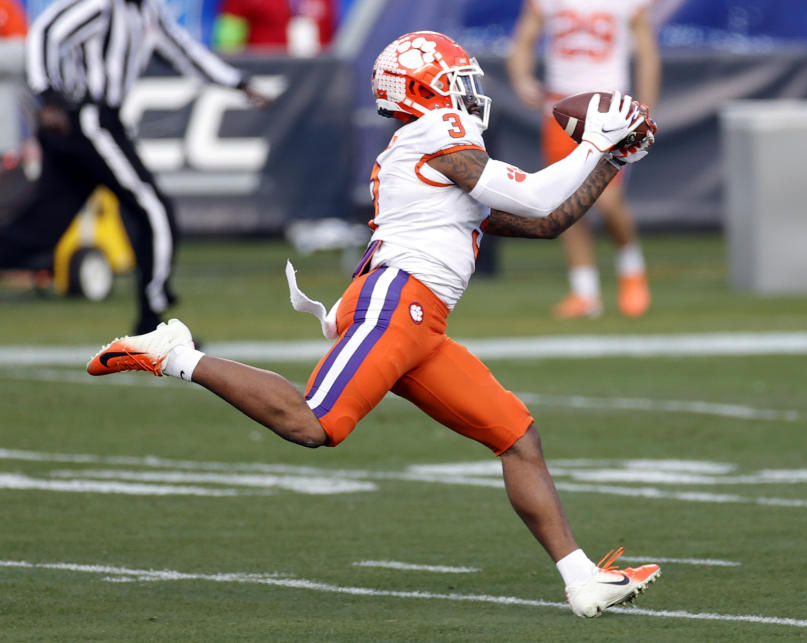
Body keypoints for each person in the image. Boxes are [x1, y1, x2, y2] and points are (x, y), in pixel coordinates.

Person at [86, 31, 659, 618]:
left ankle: (581, 578)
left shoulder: (432, 148)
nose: (469, 95)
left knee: (515, 435)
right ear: (425, 89)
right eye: (458, 82)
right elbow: (539, 198)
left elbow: (547, 222)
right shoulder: (438, 133)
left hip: (419, 319)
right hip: (397, 304)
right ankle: (177, 354)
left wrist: (611, 158)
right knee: (314, 425)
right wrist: (596, 143)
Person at [0, 0, 269, 334]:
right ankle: (151, 323)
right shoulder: (98, 5)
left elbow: (185, 52)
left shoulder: (148, 12)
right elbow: (44, 33)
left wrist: (238, 83)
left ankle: (151, 319)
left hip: (88, 121)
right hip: (85, 117)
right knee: (154, 211)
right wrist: (49, 96)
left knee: (39, 229)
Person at [507, 0, 662, 319]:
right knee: (565, 199)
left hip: (611, 109)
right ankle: (585, 291)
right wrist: (522, 79)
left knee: (608, 200)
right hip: (562, 108)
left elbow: (647, 54)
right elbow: (522, 42)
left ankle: (631, 268)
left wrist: (645, 107)